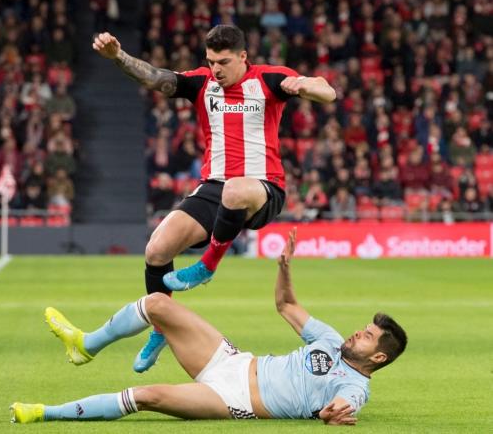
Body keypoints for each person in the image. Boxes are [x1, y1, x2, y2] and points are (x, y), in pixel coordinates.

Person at [92, 24, 336, 372]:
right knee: (157, 249)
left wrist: (306, 84)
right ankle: (161, 328)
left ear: (243, 57)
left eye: (222, 62)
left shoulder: (268, 80)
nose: (215, 69)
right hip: (213, 189)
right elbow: (154, 77)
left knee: (236, 189)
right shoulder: (202, 83)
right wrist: (118, 56)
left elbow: (328, 93)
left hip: (262, 188)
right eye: (210, 61)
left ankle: (207, 266)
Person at [10, 228, 407, 425]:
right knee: (158, 303)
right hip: (233, 361)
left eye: (367, 336)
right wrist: (284, 269)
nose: (358, 333)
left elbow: (344, 405)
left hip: (236, 401)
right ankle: (86, 344)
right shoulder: (329, 338)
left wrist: (336, 413)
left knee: (145, 395)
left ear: (378, 356)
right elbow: (286, 304)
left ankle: (44, 413)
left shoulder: (355, 385)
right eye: (363, 328)